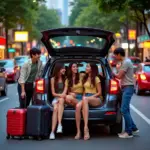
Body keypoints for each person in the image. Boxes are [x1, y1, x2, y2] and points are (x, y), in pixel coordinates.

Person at [113, 47, 139, 138]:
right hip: (126, 87)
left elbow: (119, 76)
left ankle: (128, 132)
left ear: (119, 54)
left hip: (128, 88)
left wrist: (112, 74)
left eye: (115, 55)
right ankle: (134, 128)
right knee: (126, 109)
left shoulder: (126, 62)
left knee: (124, 110)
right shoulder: (124, 62)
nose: (115, 57)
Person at [82, 63, 103, 140]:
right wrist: (85, 97)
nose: (86, 68)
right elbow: (84, 91)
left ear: (92, 69)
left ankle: (86, 128)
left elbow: (99, 92)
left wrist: (89, 97)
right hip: (86, 98)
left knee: (85, 99)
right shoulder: (85, 77)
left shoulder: (96, 78)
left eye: (87, 66)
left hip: (96, 98)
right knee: (79, 105)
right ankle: (79, 130)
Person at [65, 62, 84, 140]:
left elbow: (86, 86)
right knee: (68, 97)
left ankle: (78, 132)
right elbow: (66, 91)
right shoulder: (67, 79)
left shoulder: (81, 76)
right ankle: (78, 131)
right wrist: (70, 93)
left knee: (77, 106)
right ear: (70, 68)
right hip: (73, 98)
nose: (75, 68)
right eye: (73, 67)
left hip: (82, 97)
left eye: (76, 67)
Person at [49, 63, 68, 140]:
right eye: (63, 68)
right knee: (55, 108)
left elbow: (65, 92)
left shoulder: (66, 79)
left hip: (63, 99)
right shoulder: (52, 79)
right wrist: (59, 96)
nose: (65, 70)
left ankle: (57, 127)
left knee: (60, 102)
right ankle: (54, 131)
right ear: (58, 69)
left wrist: (60, 96)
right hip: (56, 99)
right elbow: (53, 93)